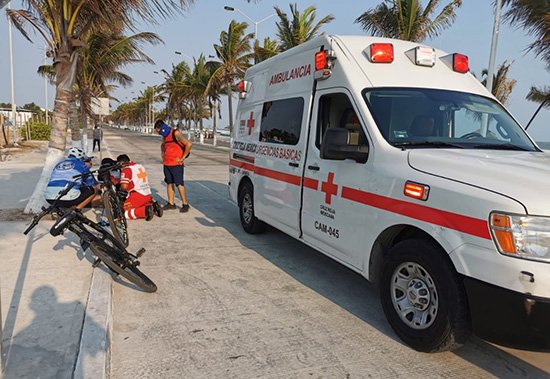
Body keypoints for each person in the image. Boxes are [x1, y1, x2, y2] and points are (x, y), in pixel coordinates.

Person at [153, 119, 192, 213]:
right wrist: (163, 156)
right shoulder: (164, 136)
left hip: (176, 164)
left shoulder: (176, 133)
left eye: (158, 131)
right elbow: (163, 145)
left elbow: (188, 144)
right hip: (167, 163)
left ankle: (185, 204)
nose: (158, 133)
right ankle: (171, 203)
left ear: (161, 128)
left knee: (179, 183)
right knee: (169, 183)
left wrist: (182, 158)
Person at [116, 154, 162, 221]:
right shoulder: (139, 166)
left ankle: (145, 211)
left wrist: (120, 187)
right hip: (147, 194)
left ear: (121, 163)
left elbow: (124, 187)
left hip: (137, 195)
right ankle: (153, 207)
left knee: (124, 212)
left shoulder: (127, 170)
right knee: (140, 205)